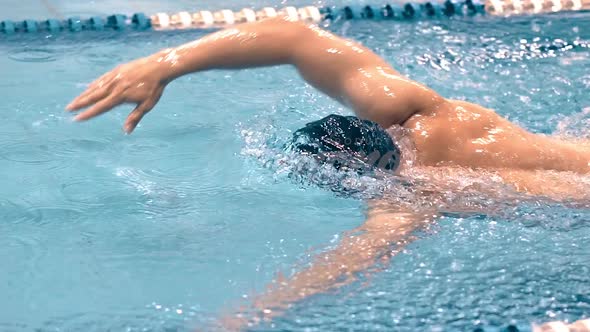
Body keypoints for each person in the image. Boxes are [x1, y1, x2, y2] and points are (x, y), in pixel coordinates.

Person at [66, 17, 589, 329]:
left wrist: (249, 314)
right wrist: (164, 63)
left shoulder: (417, 190)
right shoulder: (412, 108)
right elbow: (295, 39)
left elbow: (349, 261)